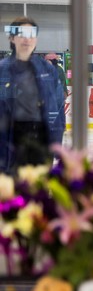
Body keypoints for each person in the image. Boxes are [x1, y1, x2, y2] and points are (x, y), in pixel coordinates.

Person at [0, 16, 66, 175]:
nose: (26, 39)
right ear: (11, 38)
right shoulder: (2, 70)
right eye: (21, 34)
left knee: (39, 192)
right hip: (10, 141)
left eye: (31, 35)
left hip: (41, 140)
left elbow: (58, 108)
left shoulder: (47, 69)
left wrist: (56, 144)